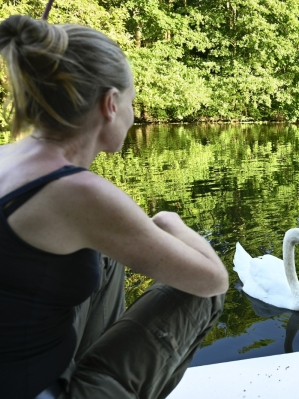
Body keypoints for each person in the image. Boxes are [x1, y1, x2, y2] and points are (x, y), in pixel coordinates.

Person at [0, 15, 228, 399]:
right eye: (132, 101)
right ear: (110, 104)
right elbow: (213, 280)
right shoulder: (76, 192)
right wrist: (167, 221)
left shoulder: (9, 157)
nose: (133, 113)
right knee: (203, 293)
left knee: (106, 256)